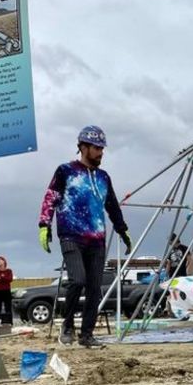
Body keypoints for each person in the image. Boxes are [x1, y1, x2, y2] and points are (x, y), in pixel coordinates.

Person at [39, 125, 132, 348]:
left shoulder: (103, 177)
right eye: (96, 148)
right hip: (71, 234)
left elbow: (112, 206)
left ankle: (87, 334)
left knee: (94, 287)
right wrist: (44, 225)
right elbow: (50, 197)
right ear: (82, 147)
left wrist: (123, 229)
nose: (100, 153)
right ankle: (68, 324)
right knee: (77, 280)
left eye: (102, 148)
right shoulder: (65, 171)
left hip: (97, 238)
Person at [0, 255, 13, 325]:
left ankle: (9, 322)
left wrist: (1, 277)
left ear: (3, 261)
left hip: (6, 291)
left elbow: (9, 279)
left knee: (8, 307)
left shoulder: (9, 271)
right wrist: (1, 278)